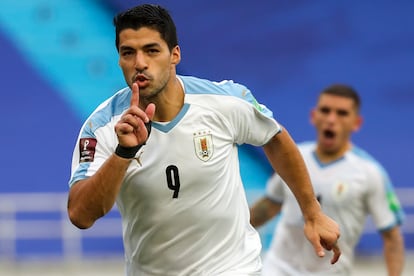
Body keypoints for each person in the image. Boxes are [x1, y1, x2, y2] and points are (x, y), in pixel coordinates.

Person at [67, 4, 341, 275]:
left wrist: (312, 212)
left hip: (234, 269)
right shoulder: (103, 126)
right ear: (120, 60)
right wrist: (123, 154)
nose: (140, 63)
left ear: (174, 55)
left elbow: (275, 138)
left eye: (151, 50)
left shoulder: (225, 102)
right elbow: (81, 215)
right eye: (129, 53)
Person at [250, 84, 405, 276]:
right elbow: (270, 205)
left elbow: (391, 237)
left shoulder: (369, 172)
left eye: (342, 113)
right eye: (325, 110)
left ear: (356, 123)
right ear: (314, 116)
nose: (331, 119)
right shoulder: (293, 157)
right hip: (278, 269)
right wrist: (233, 227)